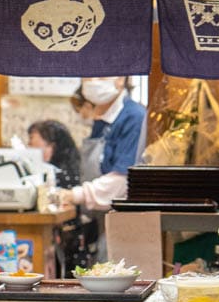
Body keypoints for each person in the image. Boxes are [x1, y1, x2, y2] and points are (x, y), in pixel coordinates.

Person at [53, 77, 143, 214]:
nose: (93, 80)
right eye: (88, 75)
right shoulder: (102, 120)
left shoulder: (134, 117)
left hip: (124, 217)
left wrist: (75, 195)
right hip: (99, 214)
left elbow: (124, 180)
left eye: (102, 75)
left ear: (120, 79)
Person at [27, 120, 98, 276]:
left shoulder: (63, 176)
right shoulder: (63, 171)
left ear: (52, 147)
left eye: (33, 143)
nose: (29, 149)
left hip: (70, 244)